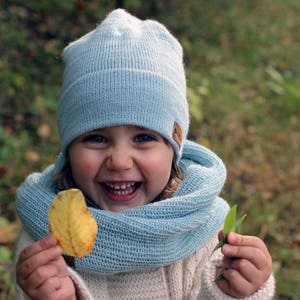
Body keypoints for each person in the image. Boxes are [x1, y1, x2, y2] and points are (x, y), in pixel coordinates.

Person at [14, 9, 275, 300]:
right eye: (97, 138)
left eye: (144, 138)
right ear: (68, 150)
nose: (120, 161)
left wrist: (239, 290)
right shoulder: (49, 230)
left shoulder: (201, 228)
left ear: (174, 149)